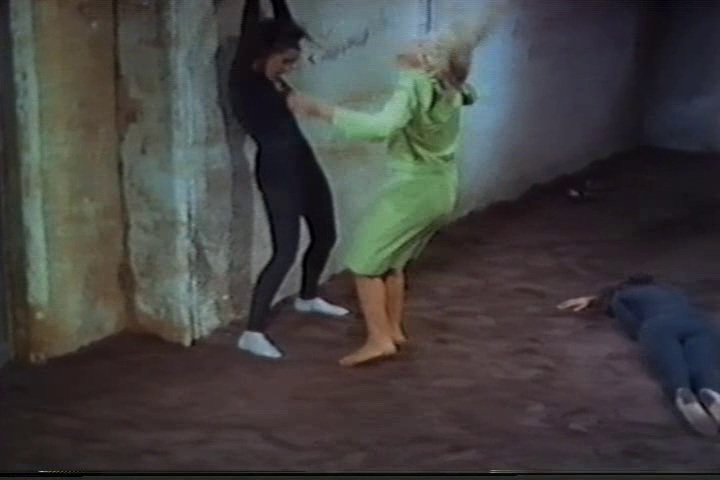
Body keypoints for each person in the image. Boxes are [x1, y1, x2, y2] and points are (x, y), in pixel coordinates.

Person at [288, 11, 506, 367]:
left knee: (364, 263)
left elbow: (381, 128)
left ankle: (379, 340)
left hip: (414, 190)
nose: (414, 43)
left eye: (424, 43)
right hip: (440, 189)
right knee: (392, 261)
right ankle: (392, 330)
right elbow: (464, 83)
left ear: (430, 61)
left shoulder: (415, 84)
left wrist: (320, 109)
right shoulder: (453, 87)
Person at [229, 0, 349, 360]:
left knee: (326, 233)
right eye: (284, 61)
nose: (289, 68)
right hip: (277, 169)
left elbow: (284, 22)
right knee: (285, 252)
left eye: (292, 62)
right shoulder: (244, 77)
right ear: (263, 54)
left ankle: (307, 297)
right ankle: (252, 333)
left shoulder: (273, 77)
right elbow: (251, 26)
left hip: (302, 160)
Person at [557, 274, 720, 436]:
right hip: (698, 324)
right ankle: (711, 390)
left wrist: (641, 334)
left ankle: (682, 389)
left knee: (672, 365)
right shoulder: (672, 291)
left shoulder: (622, 296)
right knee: (704, 365)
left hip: (659, 324)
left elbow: (630, 324)